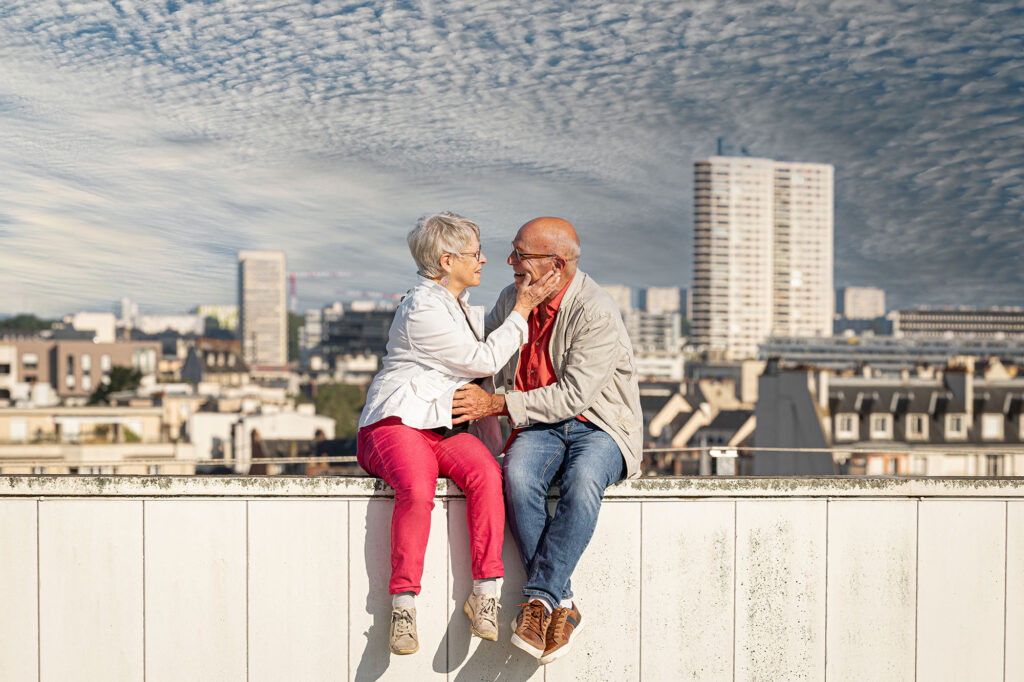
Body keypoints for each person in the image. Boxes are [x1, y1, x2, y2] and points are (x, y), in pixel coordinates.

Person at [356, 212, 560, 656]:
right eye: (474, 253)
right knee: (415, 485)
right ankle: (403, 603)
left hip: (445, 426)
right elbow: (481, 360)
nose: (484, 259)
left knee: (488, 476)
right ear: (447, 260)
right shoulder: (423, 306)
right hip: (400, 422)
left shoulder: (459, 307)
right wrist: (523, 308)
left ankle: (485, 592)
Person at [451, 216, 642, 665]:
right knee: (516, 477)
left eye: (521, 254)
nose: (509, 261)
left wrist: (495, 406)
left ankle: (536, 599)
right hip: (539, 426)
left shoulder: (596, 309)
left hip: (598, 423)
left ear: (556, 265)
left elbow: (574, 395)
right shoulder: (509, 300)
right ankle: (561, 603)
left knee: (583, 480)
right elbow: (484, 359)